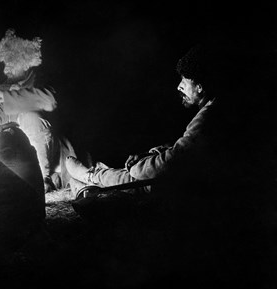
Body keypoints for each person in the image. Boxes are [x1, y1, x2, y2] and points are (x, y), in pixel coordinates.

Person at [65, 44, 243, 198]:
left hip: (195, 190)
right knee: (145, 171)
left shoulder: (209, 117)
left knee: (136, 180)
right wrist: (150, 154)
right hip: (199, 180)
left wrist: (136, 167)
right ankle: (97, 173)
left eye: (184, 81)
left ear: (200, 87)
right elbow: (186, 148)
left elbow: (171, 163)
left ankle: (91, 176)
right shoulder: (219, 108)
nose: (179, 86)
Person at [0, 29, 78, 193]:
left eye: (11, 63)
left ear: (24, 62)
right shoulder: (3, 88)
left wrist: (9, 97)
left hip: (51, 152)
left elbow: (49, 101)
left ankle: (43, 178)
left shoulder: (40, 80)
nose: (6, 69)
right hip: (20, 156)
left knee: (29, 117)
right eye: (5, 64)